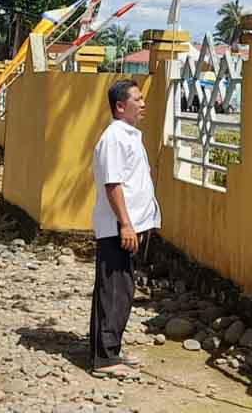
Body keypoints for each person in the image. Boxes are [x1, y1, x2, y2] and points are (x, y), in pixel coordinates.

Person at [89, 79, 160, 379]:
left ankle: (109, 350)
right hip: (118, 227)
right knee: (114, 290)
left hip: (128, 225)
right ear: (120, 106)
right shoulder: (115, 138)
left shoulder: (129, 136)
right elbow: (113, 184)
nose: (143, 104)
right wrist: (127, 224)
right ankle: (104, 358)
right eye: (138, 99)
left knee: (120, 288)